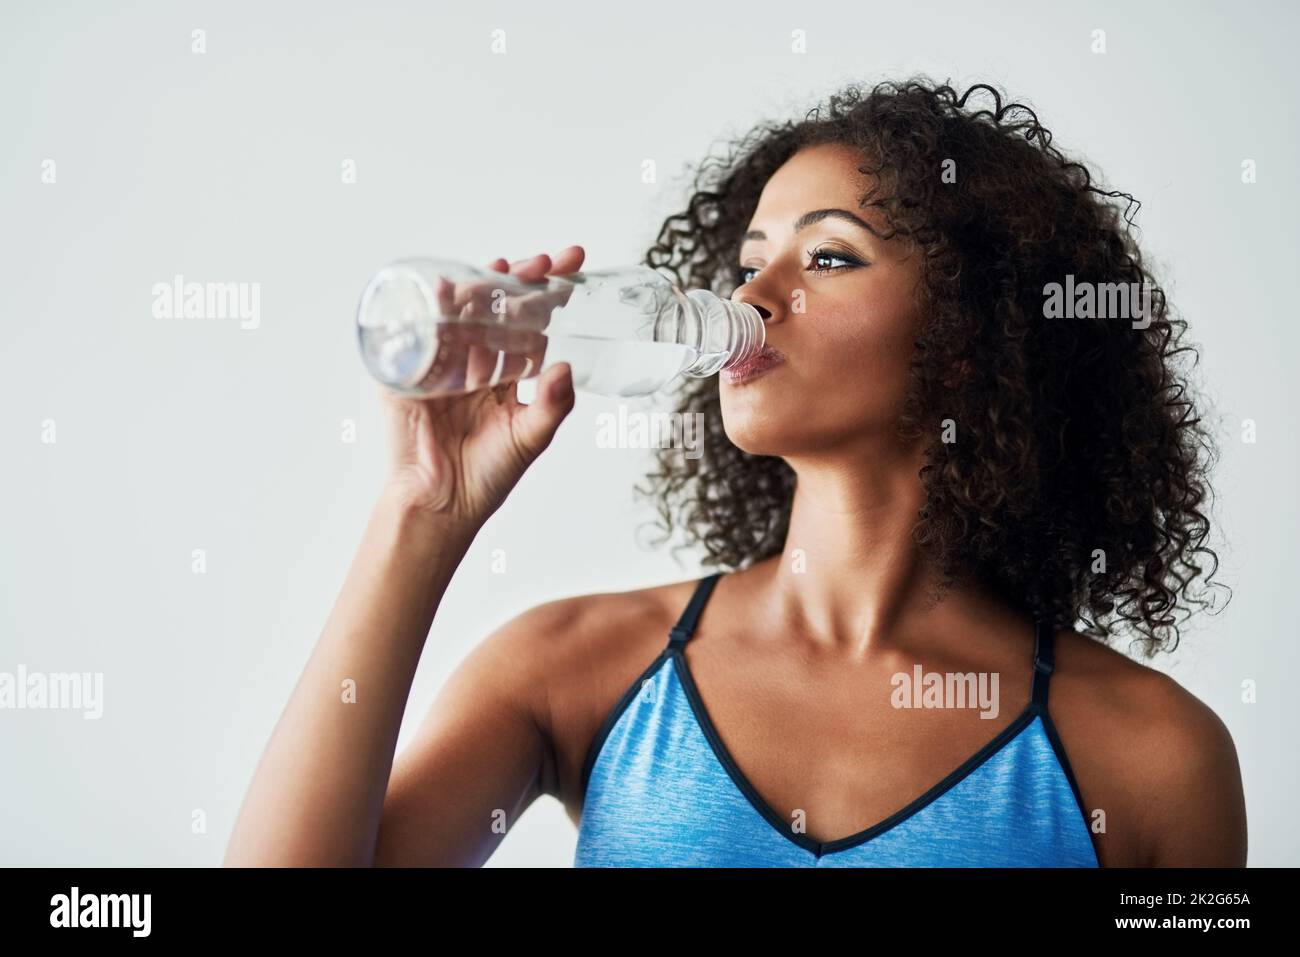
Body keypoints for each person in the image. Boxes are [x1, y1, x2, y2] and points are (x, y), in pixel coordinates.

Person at [224, 78, 1246, 868]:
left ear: (974, 344)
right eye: (750, 256)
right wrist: (419, 512)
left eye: (829, 257)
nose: (752, 294)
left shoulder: (1150, 756)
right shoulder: (576, 668)